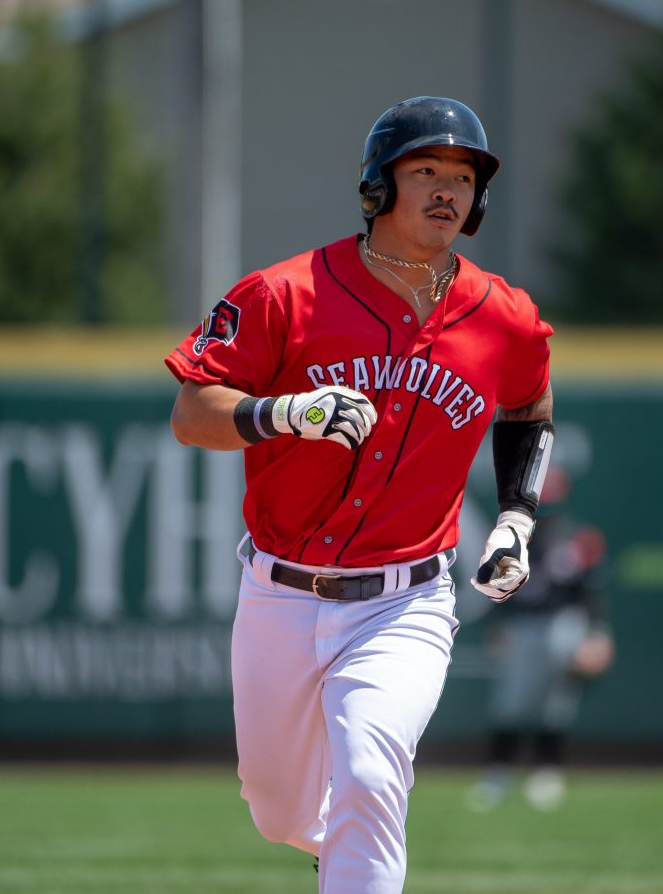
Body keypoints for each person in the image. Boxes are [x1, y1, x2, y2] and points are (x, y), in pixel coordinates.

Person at [165, 96, 555, 894]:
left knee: (373, 772)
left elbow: (528, 405)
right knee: (275, 809)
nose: (447, 190)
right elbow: (189, 414)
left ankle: (352, 847)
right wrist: (279, 413)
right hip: (279, 590)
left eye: (462, 176)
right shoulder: (284, 293)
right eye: (426, 171)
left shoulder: (504, 316)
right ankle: (332, 840)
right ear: (380, 185)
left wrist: (516, 514)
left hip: (405, 599)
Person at [465, 463, 614, 813]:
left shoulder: (578, 538)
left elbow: (591, 592)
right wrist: (497, 626)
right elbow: (498, 588)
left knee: (556, 702)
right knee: (512, 700)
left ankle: (546, 772)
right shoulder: (510, 538)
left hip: (562, 620)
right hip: (523, 624)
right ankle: (497, 772)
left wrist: (596, 634)